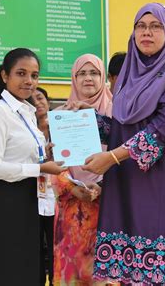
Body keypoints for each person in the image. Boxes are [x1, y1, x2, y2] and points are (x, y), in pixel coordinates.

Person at [83, 2, 165, 285]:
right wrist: (81, 122)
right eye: (141, 26)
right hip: (126, 187)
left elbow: (162, 129)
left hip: (163, 187)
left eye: (156, 26)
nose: (147, 33)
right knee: (128, 275)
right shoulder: (126, 78)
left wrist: (111, 158)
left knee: (161, 272)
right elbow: (121, 129)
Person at [0, 48, 65, 286]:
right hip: (2, 203)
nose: (29, 81)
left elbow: (25, 157)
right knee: (3, 272)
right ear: (4, 76)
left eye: (34, 75)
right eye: (21, 73)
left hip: (28, 202)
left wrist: (45, 157)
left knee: (25, 270)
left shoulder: (28, 114)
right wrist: (39, 169)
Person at [51, 54, 112, 286]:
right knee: (73, 274)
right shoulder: (61, 114)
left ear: (103, 78)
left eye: (94, 73)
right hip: (71, 209)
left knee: (106, 275)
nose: (88, 78)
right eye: (82, 73)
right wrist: (70, 187)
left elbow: (125, 158)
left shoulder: (118, 114)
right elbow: (51, 162)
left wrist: (102, 187)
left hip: (108, 207)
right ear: (73, 79)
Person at [33, 87, 55, 286]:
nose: (37, 102)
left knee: (57, 245)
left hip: (58, 196)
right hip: (33, 198)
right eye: (32, 99)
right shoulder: (28, 132)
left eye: (40, 97)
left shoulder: (61, 128)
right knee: (35, 246)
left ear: (48, 102)